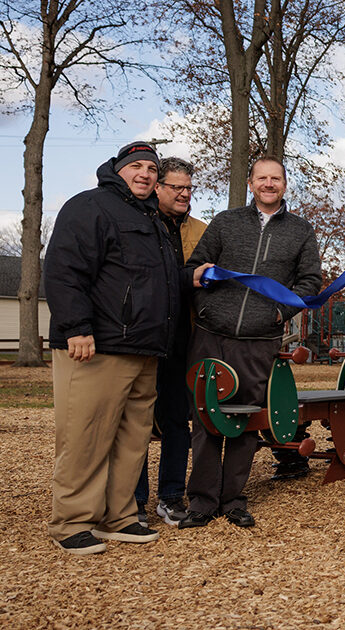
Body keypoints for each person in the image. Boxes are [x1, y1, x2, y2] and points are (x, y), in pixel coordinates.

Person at [44, 141, 181, 554]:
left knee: (132, 441)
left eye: (152, 169)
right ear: (118, 169)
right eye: (137, 166)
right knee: (85, 437)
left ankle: (118, 516)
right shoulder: (90, 206)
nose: (145, 174)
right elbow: (64, 270)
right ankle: (72, 522)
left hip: (143, 349)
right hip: (97, 346)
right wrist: (76, 328)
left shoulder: (153, 219)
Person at [179, 156, 322, 529]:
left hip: (259, 339)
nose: (269, 184)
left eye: (275, 178)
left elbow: (310, 282)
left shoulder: (301, 230)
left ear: (285, 184)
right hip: (211, 334)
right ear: (251, 183)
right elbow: (196, 268)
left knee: (244, 419)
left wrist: (278, 314)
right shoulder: (226, 222)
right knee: (206, 416)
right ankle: (202, 501)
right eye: (262, 178)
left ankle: (233, 499)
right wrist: (206, 307)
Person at [132, 157, 206, 526]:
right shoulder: (139, 224)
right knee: (137, 422)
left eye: (188, 187)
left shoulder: (202, 231)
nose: (184, 194)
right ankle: (133, 501)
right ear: (158, 187)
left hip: (183, 341)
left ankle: (171, 496)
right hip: (144, 339)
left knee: (178, 420)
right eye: (176, 187)